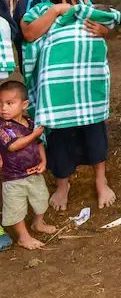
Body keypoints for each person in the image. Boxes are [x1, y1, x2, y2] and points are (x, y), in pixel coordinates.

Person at [21, 0, 117, 211]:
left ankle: (101, 179)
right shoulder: (34, 2)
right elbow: (29, 34)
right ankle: (63, 184)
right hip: (58, 82)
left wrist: (103, 29)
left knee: (94, 128)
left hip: (87, 77)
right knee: (60, 133)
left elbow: (103, 24)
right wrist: (57, 10)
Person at [0, 81, 57, 249]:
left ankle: (38, 223)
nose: (4, 108)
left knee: (41, 199)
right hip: (13, 177)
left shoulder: (30, 122)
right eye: (0, 103)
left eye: (9, 103)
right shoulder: (3, 127)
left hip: (34, 173)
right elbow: (13, 145)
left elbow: (40, 143)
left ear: (24, 105)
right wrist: (34, 135)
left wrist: (44, 162)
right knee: (15, 207)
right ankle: (23, 237)